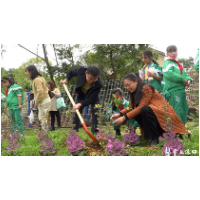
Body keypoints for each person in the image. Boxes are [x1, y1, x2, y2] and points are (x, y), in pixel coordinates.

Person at [110, 73, 190, 146]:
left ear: (136, 81)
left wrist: (124, 118)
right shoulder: (133, 93)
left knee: (145, 109)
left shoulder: (146, 88)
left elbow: (141, 107)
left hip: (162, 113)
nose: (127, 88)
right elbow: (130, 107)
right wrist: (119, 114)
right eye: (126, 86)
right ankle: (149, 136)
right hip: (152, 114)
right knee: (136, 111)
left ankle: (155, 138)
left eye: (128, 85)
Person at [60, 65, 103, 135]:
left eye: (94, 79)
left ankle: (95, 130)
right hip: (82, 94)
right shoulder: (81, 70)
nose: (92, 81)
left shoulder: (99, 83)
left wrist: (80, 104)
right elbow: (71, 72)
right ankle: (74, 130)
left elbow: (91, 99)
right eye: (90, 79)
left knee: (95, 110)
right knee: (77, 111)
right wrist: (65, 80)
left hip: (93, 96)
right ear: (86, 73)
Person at [162, 45, 192, 125]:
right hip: (174, 90)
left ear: (177, 52)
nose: (173, 53)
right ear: (167, 54)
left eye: (174, 51)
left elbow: (185, 74)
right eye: (170, 52)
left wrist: (189, 80)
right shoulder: (167, 64)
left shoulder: (178, 64)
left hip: (181, 90)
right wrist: (182, 79)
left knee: (185, 109)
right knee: (177, 110)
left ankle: (182, 128)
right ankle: (177, 131)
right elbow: (169, 74)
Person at [25, 65, 51, 134]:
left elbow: (40, 92)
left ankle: (45, 134)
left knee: (42, 118)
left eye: (27, 72)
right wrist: (35, 92)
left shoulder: (36, 80)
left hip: (43, 101)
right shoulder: (40, 78)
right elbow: (42, 89)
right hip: (45, 99)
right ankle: (45, 132)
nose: (27, 73)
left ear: (31, 71)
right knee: (42, 117)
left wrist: (36, 104)